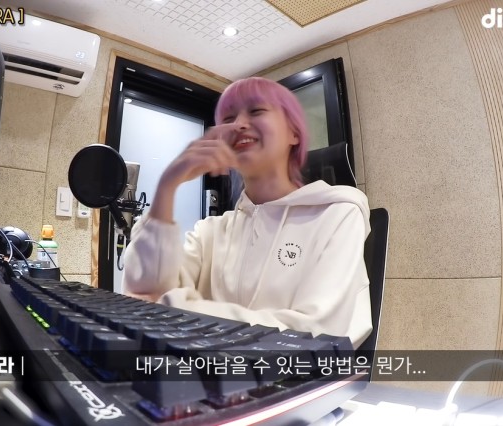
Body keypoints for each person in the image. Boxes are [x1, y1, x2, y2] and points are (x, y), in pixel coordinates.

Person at [123, 77, 372, 347]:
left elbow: (316, 335)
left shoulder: (337, 215)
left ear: (294, 133)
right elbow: (143, 293)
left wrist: (173, 307)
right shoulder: (211, 231)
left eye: (256, 110)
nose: (239, 124)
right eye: (228, 118)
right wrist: (167, 186)